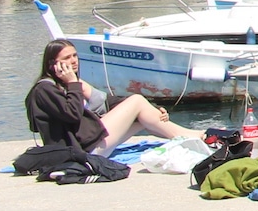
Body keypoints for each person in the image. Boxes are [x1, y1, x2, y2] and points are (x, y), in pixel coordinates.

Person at [24, 39, 203, 154]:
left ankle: (190, 138)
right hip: (82, 149)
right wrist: (72, 84)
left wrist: (154, 109)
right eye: (67, 58)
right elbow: (72, 115)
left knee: (144, 116)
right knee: (137, 100)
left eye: (75, 55)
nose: (73, 61)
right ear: (52, 64)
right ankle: (196, 136)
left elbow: (107, 101)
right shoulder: (45, 90)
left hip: (90, 140)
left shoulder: (72, 84)